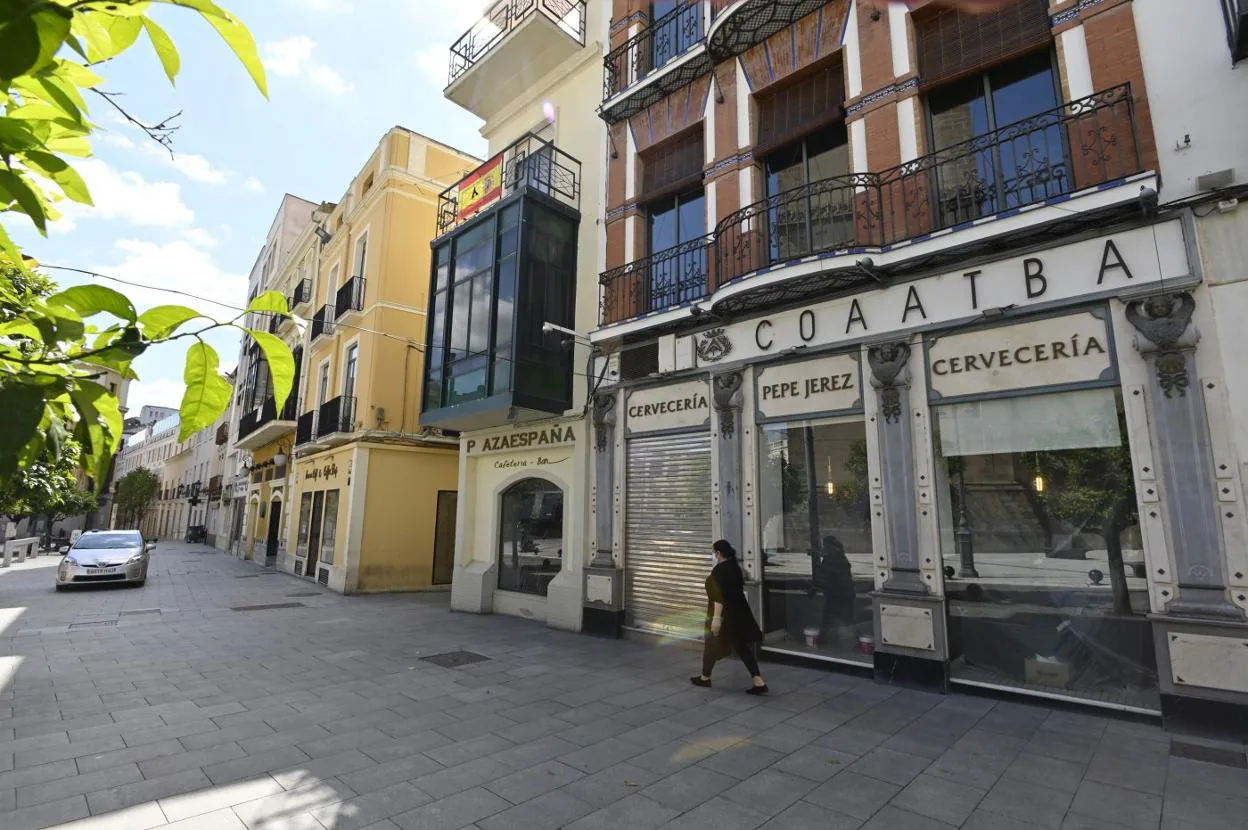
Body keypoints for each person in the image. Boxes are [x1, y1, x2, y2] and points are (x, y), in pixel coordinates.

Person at [691, 539, 769, 694]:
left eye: (714, 552)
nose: (714, 555)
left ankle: (705, 679)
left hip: (725, 615)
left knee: (711, 644)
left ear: (718, 553)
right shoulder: (735, 567)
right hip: (739, 613)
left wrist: (716, 618)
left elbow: (719, 597)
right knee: (741, 647)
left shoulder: (719, 571)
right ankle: (758, 681)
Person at [813, 535, 856, 644]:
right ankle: (854, 640)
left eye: (824, 546)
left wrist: (814, 589)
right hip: (845, 594)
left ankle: (821, 640)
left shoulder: (830, 560)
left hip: (835, 594)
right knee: (847, 619)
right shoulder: (841, 557)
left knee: (828, 618)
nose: (823, 548)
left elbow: (824, 577)